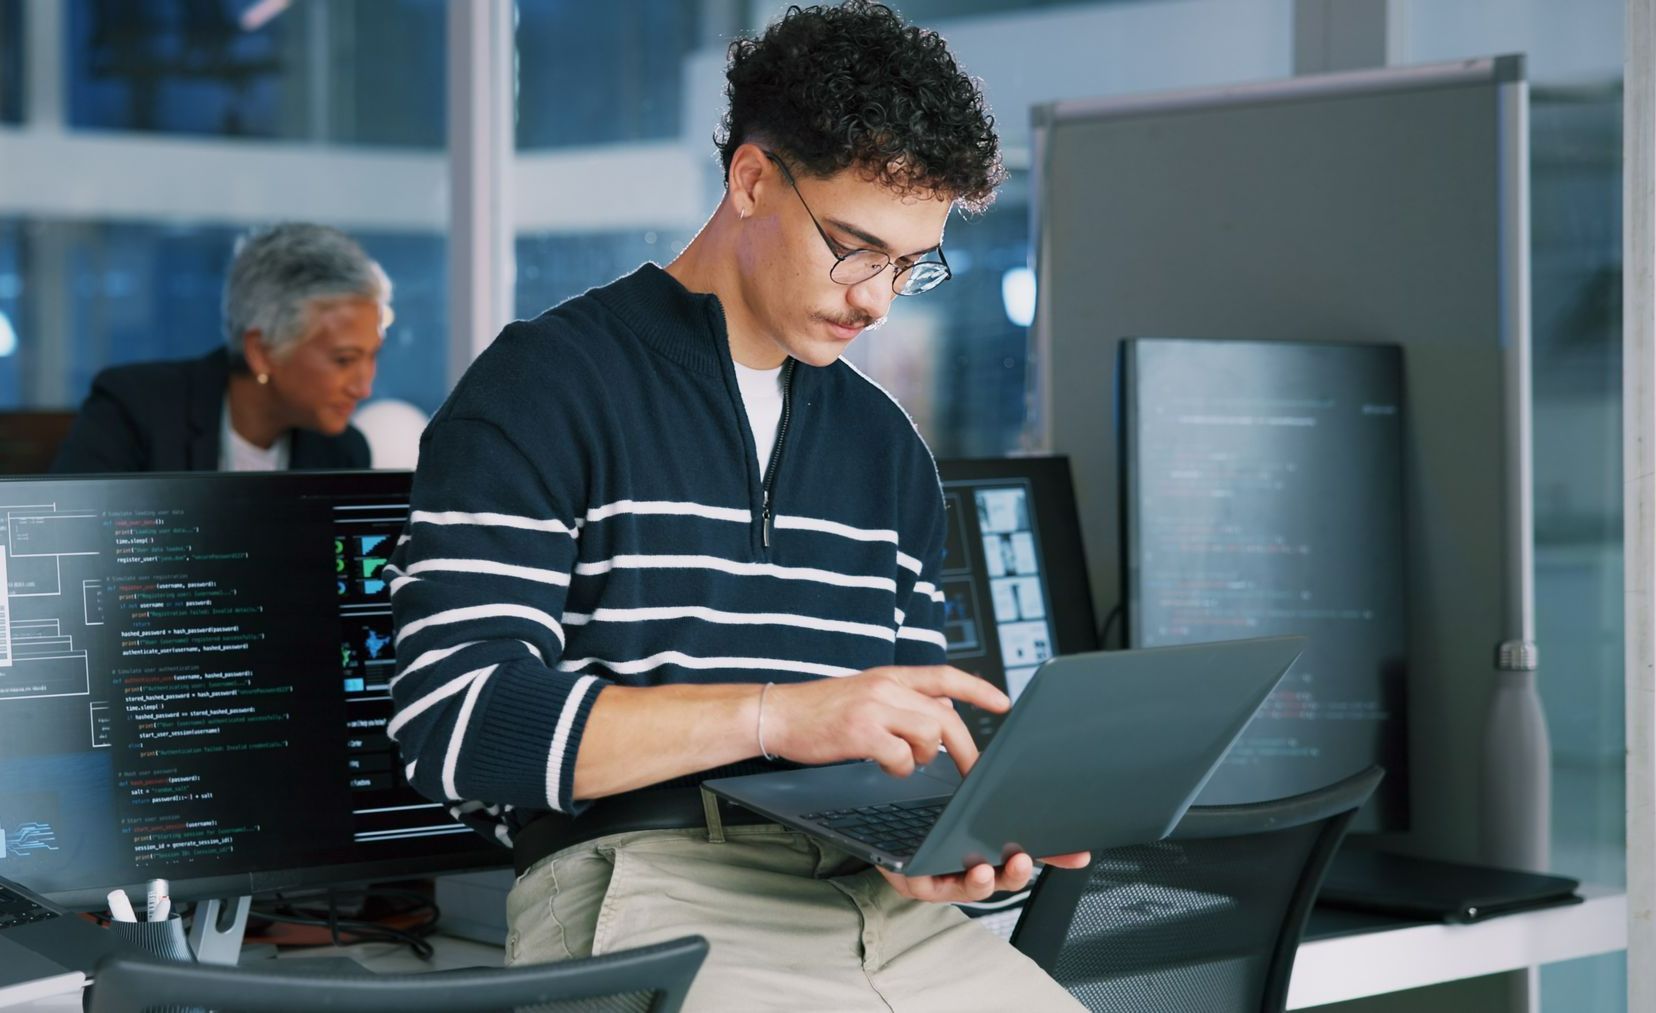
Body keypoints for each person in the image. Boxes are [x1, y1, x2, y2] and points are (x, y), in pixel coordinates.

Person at [388, 3, 1087, 1008]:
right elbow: (452, 719)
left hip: (883, 910)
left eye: (909, 265)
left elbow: (887, 747)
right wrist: (777, 715)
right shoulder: (544, 385)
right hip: (651, 884)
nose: (879, 298)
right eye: (855, 247)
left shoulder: (888, 453)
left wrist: (934, 839)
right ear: (752, 180)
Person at [52, 223, 389, 473]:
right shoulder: (133, 410)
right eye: (344, 360)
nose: (364, 387)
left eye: (374, 355)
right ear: (261, 351)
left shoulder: (344, 452)